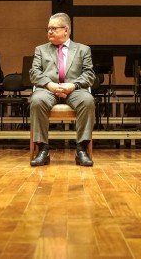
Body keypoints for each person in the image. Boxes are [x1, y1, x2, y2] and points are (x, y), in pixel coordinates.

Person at [29, 13, 96, 167]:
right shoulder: (41, 49)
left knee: (88, 101)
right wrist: (49, 85)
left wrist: (73, 85)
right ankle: (43, 149)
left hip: (74, 90)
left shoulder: (83, 50)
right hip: (48, 90)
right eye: (48, 29)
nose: (49, 32)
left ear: (66, 30)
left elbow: (89, 74)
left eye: (53, 28)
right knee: (37, 100)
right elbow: (34, 73)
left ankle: (82, 149)